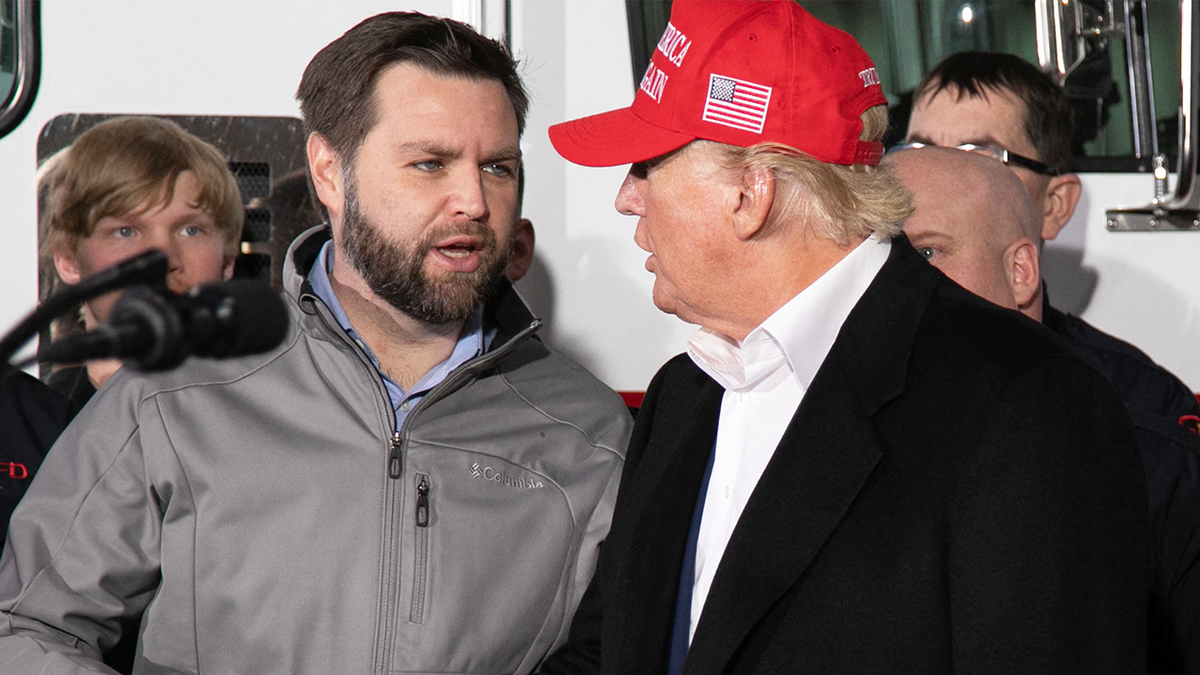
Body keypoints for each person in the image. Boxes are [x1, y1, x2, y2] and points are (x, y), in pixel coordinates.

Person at [0, 11, 631, 674]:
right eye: (429, 163)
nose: (472, 200)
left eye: (497, 167)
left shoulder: (588, 432)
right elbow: (25, 625)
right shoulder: (178, 390)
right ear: (330, 172)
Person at [539, 1, 1147, 673]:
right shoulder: (683, 399)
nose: (626, 196)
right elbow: (604, 655)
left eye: (648, 164)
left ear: (751, 193)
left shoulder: (1028, 407)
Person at [888, 144, 1200, 675]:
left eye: (925, 254)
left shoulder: (1148, 450)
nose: (887, 288)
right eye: (868, 260)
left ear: (1020, 270)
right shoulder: (821, 435)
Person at [40, 115, 246, 409]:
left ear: (227, 262)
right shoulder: (31, 429)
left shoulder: (265, 419)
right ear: (69, 260)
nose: (163, 260)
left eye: (190, 230)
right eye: (125, 232)